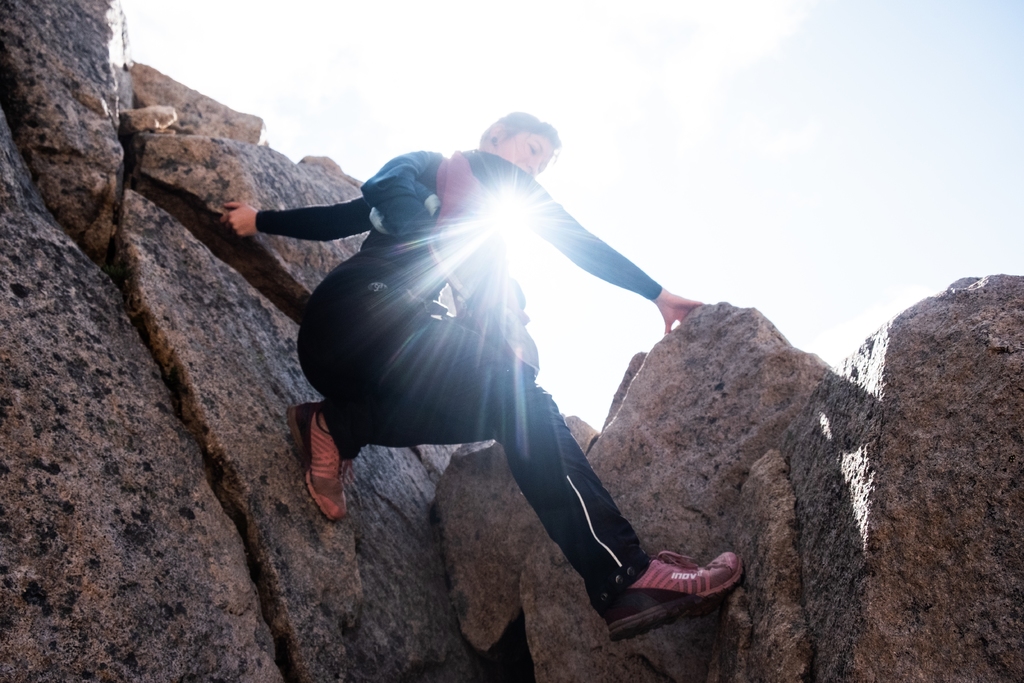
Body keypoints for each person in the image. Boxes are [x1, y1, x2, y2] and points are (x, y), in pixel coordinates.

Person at [221, 113, 741, 641]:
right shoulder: (441, 168)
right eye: (532, 149)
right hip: (355, 312)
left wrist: (502, 309)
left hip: (365, 357)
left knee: (505, 410)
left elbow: (345, 219)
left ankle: (335, 426)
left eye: (542, 164)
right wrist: (657, 293)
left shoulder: (486, 240)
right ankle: (624, 575)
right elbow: (364, 202)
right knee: (520, 398)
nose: (533, 168)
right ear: (496, 136)